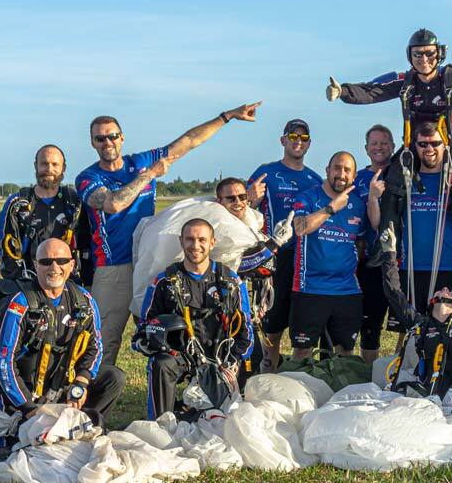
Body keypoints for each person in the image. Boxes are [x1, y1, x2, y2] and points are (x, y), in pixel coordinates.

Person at [326, 28, 452, 278]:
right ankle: (385, 248)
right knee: (390, 186)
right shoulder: (405, 81)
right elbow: (374, 89)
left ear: (439, 53)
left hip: (449, 149)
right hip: (413, 148)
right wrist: (343, 92)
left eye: (429, 53)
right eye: (417, 54)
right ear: (410, 56)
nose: (423, 59)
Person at [76, 102, 260, 366]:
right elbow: (113, 203)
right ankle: (93, 399)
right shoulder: (88, 177)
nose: (108, 142)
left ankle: (163, 389)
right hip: (114, 267)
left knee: (158, 333)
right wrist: (150, 174)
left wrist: (227, 116)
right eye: (100, 138)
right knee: (105, 340)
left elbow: (189, 141)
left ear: (122, 137)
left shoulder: (138, 161)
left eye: (112, 136)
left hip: (151, 261)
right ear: (93, 143)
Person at [0, 238, 127, 469]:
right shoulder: (19, 305)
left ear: (72, 264)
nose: (54, 267)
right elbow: (3, 364)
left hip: (60, 387)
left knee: (113, 378)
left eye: (61, 261)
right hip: (21, 397)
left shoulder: (84, 301)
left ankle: (78, 432)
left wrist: (81, 381)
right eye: (46, 261)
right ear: (35, 265)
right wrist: (29, 409)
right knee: (14, 461)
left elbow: (95, 346)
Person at [368, 121, 452, 313]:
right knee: (409, 335)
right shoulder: (405, 182)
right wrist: (373, 198)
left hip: (449, 271)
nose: (429, 149)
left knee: (447, 333)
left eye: (435, 143)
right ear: (414, 146)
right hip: (409, 270)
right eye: (423, 144)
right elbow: (378, 223)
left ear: (444, 144)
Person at [134, 219, 254, 421]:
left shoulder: (230, 281)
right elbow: (144, 328)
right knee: (160, 364)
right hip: (181, 356)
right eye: (190, 239)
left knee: (227, 419)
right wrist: (154, 341)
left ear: (212, 242)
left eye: (202, 240)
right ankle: (161, 425)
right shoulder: (165, 281)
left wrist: (235, 360)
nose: (195, 246)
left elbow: (246, 328)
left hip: (221, 356)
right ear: (181, 241)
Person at [246, 119, 324, 369]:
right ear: (283, 140)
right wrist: (250, 199)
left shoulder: (315, 179)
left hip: (305, 258)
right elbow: (243, 207)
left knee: (302, 317)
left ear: (309, 143)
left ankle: (298, 370)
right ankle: (269, 370)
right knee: (272, 320)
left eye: (303, 138)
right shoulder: (266, 172)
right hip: (274, 256)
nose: (297, 142)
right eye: (293, 136)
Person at [288, 152, 368, 359]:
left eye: (347, 170)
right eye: (337, 168)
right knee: (303, 351)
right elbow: (300, 228)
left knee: (346, 352)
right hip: (310, 288)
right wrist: (331, 208)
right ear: (327, 170)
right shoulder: (308, 197)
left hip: (346, 290)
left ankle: (339, 392)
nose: (341, 174)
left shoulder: (358, 205)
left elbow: (359, 243)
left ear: (354, 176)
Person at [380, 255, 452, 408]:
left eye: (450, 291)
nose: (445, 288)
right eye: (440, 290)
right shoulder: (421, 324)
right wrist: (389, 257)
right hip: (427, 394)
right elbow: (394, 294)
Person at [216, 176, 293, 381]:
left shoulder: (248, 223)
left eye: (242, 197)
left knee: (252, 355)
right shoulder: (220, 228)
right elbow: (241, 263)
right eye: (231, 198)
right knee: (234, 356)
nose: (238, 202)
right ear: (219, 202)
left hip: (246, 307)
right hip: (224, 309)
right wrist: (274, 244)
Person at [0, 145, 86, 282]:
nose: (49, 169)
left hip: (67, 280)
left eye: (55, 164)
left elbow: (85, 244)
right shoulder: (17, 204)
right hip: (27, 282)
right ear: (35, 166)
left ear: (64, 168)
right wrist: (21, 283)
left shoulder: (74, 202)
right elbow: (6, 250)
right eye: (44, 164)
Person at [355, 124, 396, 363]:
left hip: (398, 258)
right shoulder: (358, 177)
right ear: (366, 148)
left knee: (403, 321)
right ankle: (366, 370)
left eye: (384, 142)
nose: (379, 147)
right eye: (374, 143)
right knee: (369, 322)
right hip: (366, 260)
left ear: (392, 146)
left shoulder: (401, 174)